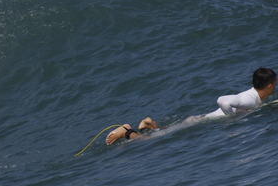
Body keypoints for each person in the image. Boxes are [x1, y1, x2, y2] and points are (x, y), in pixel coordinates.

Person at [106, 67, 277, 145]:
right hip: (197, 121)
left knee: (165, 133)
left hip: (198, 120)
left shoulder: (253, 96)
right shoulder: (249, 99)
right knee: (147, 141)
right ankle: (126, 131)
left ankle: (150, 124)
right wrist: (231, 119)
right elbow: (223, 101)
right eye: (275, 84)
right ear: (269, 85)